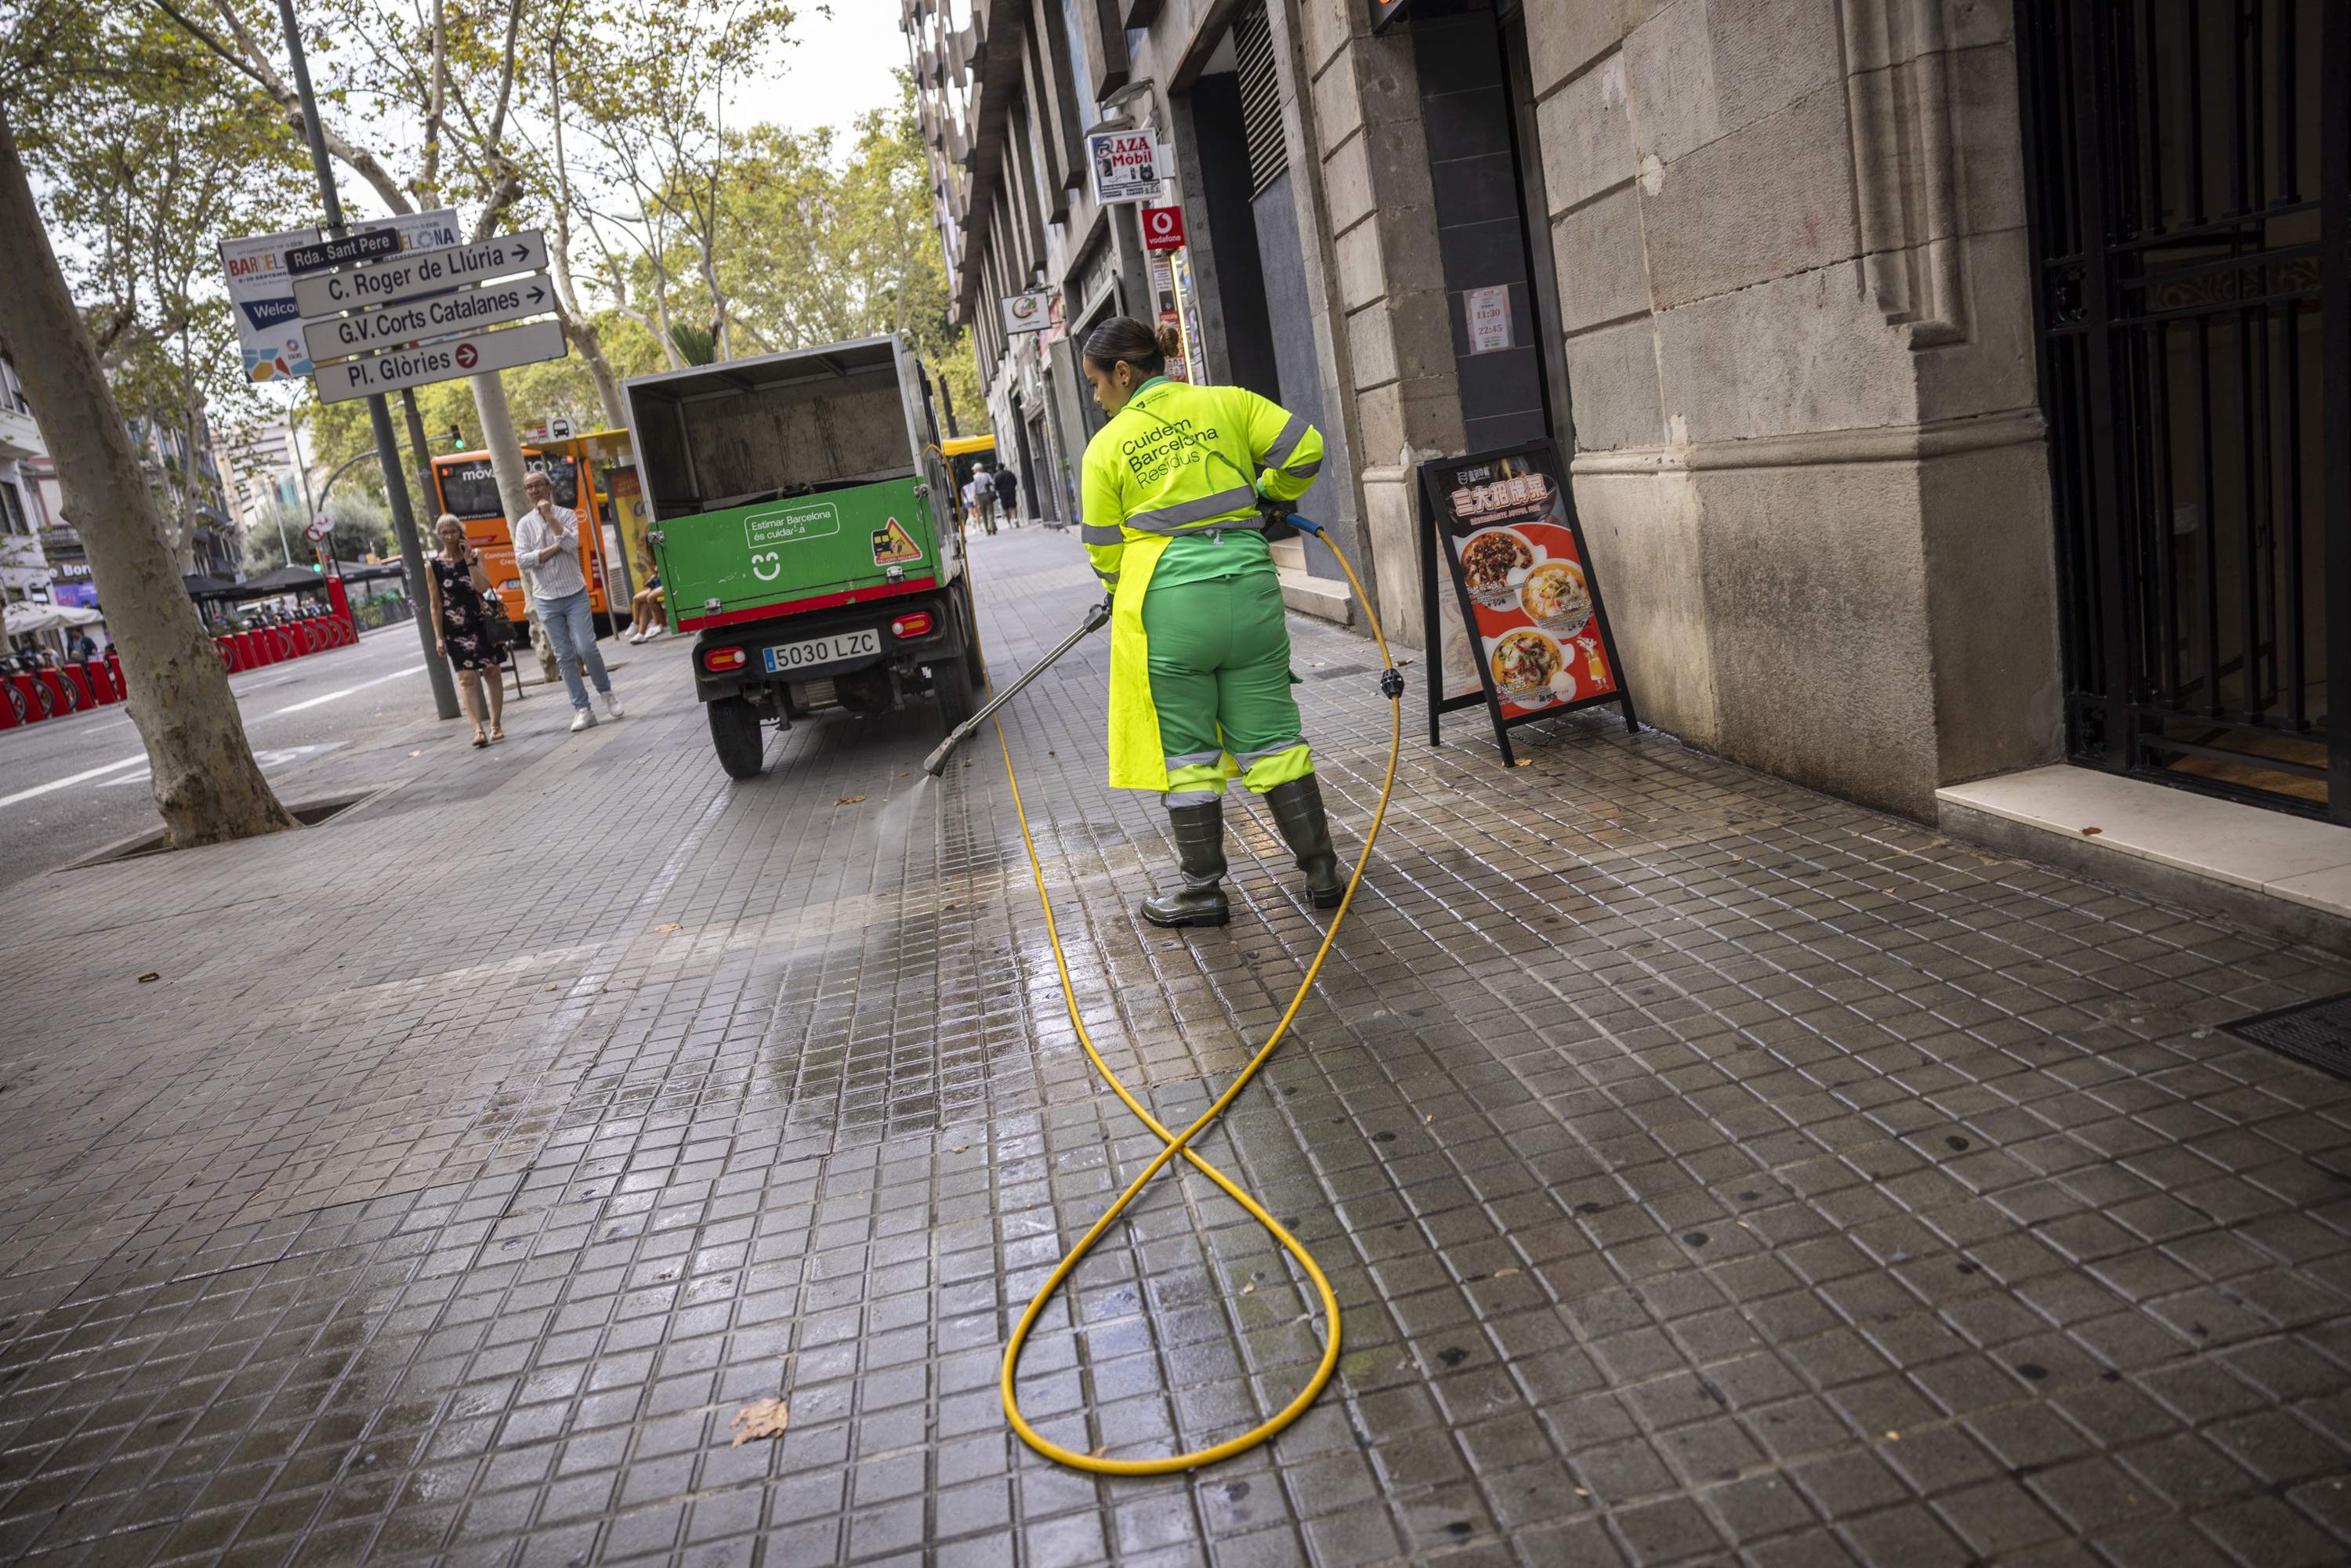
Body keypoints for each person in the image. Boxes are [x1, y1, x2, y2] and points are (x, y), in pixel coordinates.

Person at [1077, 316, 1341, 928]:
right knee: (1274, 738)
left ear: (1124, 373)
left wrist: (1121, 591)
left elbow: (1101, 545)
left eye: (1097, 384)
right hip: (1250, 591)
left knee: (1187, 755)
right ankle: (1322, 871)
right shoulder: (1229, 401)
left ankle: (1202, 889)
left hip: (1170, 610)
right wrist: (1270, 494)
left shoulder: (1107, 448)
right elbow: (1306, 448)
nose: (1096, 398)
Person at [512, 469, 621, 732]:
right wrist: (552, 549)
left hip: (574, 593)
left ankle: (606, 693)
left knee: (586, 647)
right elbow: (522, 560)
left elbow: (571, 545)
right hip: (546, 599)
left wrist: (549, 517)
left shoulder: (566, 514)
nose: (534, 490)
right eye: (529, 487)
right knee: (564, 656)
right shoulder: (524, 524)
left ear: (549, 487)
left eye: (539, 485)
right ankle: (582, 709)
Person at [424, 515, 507, 747]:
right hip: (455, 628)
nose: (449, 537)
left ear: (461, 533)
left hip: (483, 622)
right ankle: (477, 729)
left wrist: (469, 560)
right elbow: (435, 604)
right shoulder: (433, 566)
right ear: (438, 536)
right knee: (466, 678)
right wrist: (439, 637)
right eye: (445, 533)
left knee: (492, 672)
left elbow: (484, 587)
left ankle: (496, 725)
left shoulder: (476, 555)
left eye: (453, 532)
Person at [627, 558, 666, 643]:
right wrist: (649, 563)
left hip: (664, 585)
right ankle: (640, 633)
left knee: (647, 598)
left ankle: (639, 624)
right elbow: (656, 574)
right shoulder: (655, 556)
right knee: (642, 603)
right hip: (658, 585)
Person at [992, 462, 1020, 529]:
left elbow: (995, 486)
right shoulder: (1009, 473)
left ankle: (1009, 523)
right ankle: (1015, 519)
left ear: (998, 468)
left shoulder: (996, 475)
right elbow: (1015, 481)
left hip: (1002, 494)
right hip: (1011, 492)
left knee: (1006, 508)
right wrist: (1012, 488)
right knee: (1013, 506)